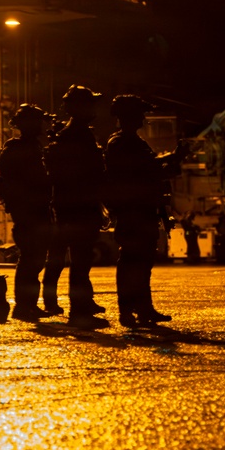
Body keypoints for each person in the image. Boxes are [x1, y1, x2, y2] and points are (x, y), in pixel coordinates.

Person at [104, 94, 185, 327]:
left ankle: (143, 309)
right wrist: (169, 162)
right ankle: (128, 311)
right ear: (128, 116)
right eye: (139, 113)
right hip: (133, 210)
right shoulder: (120, 143)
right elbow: (141, 172)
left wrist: (172, 159)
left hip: (143, 208)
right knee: (132, 261)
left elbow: (148, 169)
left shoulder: (133, 142)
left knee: (142, 263)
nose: (142, 117)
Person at [43, 85, 109, 329]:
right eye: (89, 103)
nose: (93, 108)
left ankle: (83, 306)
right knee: (80, 261)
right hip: (77, 207)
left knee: (82, 261)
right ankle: (79, 312)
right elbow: (84, 174)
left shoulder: (78, 133)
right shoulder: (75, 135)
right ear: (78, 107)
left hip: (77, 205)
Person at [0, 104, 57, 321]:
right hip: (28, 211)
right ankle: (23, 306)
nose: (44, 124)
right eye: (40, 120)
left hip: (36, 209)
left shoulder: (33, 146)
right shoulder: (18, 148)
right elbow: (30, 179)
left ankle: (29, 304)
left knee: (36, 260)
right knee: (31, 259)